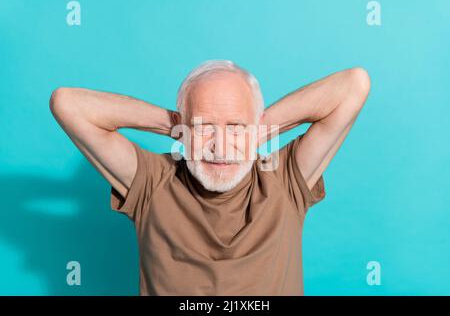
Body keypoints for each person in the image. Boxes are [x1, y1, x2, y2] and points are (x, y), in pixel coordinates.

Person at [50, 60, 370, 295]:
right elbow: (68, 104)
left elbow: (354, 85)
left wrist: (256, 130)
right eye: (204, 128)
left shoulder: (285, 177)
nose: (220, 146)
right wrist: (175, 122)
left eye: (234, 127)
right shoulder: (152, 181)